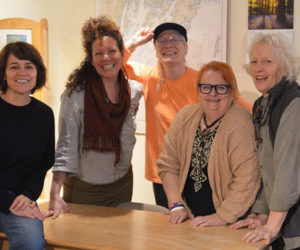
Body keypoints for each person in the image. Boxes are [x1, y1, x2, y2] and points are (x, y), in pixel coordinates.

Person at [124, 22, 253, 208]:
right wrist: (133, 43)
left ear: (186, 47)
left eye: (174, 39)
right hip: (163, 173)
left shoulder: (201, 81)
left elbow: (241, 105)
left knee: (200, 230)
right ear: (155, 49)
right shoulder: (149, 78)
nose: (168, 44)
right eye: (161, 41)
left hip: (197, 174)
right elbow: (111, 65)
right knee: (169, 230)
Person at [43, 16, 142, 219]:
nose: (106, 58)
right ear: (91, 58)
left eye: (112, 51)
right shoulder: (75, 95)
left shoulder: (135, 91)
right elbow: (65, 146)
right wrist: (54, 193)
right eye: (99, 53)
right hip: (83, 190)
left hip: (122, 186)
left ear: (122, 53)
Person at [156, 61, 260, 226]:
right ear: (198, 90)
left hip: (228, 223)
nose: (213, 94)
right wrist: (176, 205)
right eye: (206, 87)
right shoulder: (185, 116)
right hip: (188, 219)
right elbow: (168, 163)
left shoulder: (240, 121)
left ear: (231, 91)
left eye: (221, 88)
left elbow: (248, 177)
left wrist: (223, 216)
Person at [230, 33, 300, 249]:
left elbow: (288, 170)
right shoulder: (262, 104)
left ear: (285, 66)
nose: (258, 68)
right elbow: (264, 165)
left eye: (267, 61)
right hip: (278, 217)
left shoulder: (293, 103)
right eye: (254, 62)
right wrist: (260, 215)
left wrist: (272, 224)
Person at [0, 42, 55, 249]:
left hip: (22, 199)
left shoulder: (44, 114)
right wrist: (8, 203)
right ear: (4, 74)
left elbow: (44, 163)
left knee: (31, 243)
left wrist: (27, 197)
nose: (22, 72)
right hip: (9, 200)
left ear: (37, 73)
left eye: (29, 66)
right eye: (14, 66)